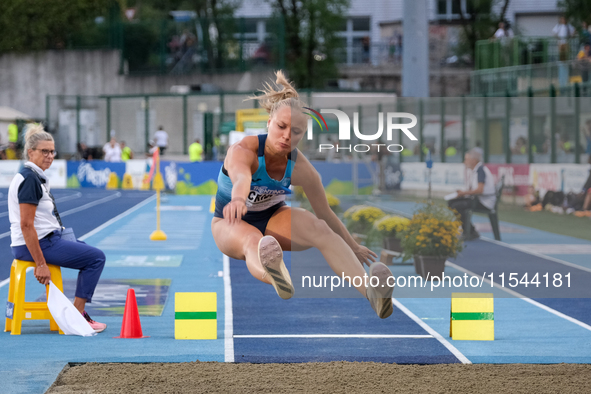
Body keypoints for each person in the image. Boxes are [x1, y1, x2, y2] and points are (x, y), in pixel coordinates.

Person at [211, 71, 394, 319]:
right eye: (281, 127)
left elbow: (326, 213)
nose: (287, 136)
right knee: (253, 240)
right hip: (231, 222)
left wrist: (354, 247)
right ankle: (277, 277)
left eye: (296, 131)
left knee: (319, 228)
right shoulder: (244, 150)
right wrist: (238, 199)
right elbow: (242, 178)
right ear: (269, 123)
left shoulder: (302, 169)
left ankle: (371, 293)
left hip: (273, 217)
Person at [8, 124, 107, 332]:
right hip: (37, 243)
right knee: (96, 258)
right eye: (45, 151)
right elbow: (26, 225)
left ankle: (77, 312)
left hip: (44, 240)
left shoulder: (34, 177)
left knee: (86, 249)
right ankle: (77, 316)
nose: (50, 156)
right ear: (30, 152)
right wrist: (40, 263)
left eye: (52, 151)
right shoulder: (30, 180)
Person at [447, 148, 496, 241]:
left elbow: (480, 190)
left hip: (484, 202)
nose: (464, 162)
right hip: (478, 199)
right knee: (452, 202)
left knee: (457, 205)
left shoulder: (480, 170)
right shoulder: (476, 170)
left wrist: (465, 193)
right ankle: (470, 230)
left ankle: (469, 231)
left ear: (473, 161)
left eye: (466, 159)